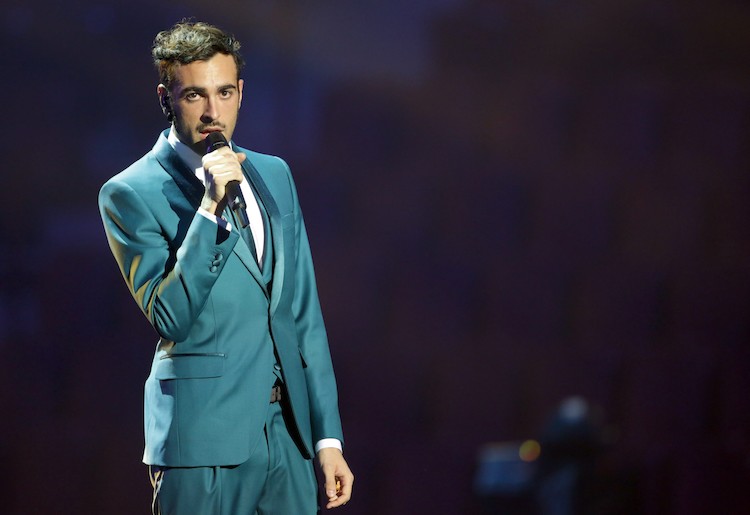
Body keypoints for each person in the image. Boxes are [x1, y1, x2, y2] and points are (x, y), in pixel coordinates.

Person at [98, 20, 353, 514]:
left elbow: (303, 315)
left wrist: (327, 440)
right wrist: (210, 209)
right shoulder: (130, 192)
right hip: (203, 440)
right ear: (166, 98)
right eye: (194, 95)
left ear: (241, 93)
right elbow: (170, 316)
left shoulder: (275, 173)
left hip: (288, 437)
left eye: (225, 92)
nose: (213, 112)